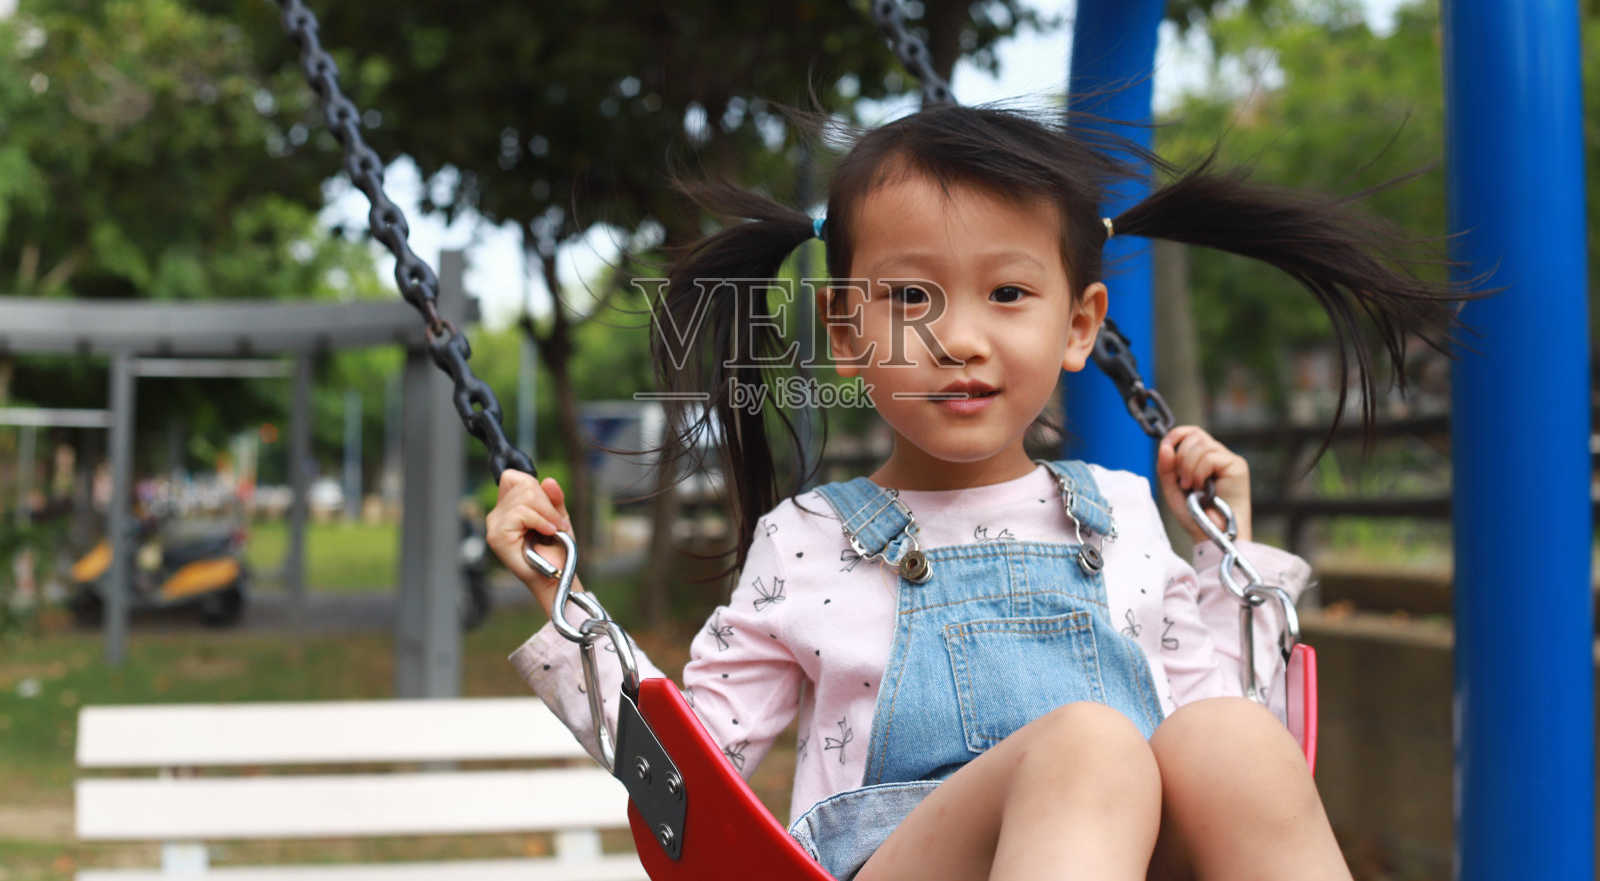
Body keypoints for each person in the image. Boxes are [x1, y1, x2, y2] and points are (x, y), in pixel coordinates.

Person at [486, 104, 1474, 880]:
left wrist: (1228, 554)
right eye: (910, 297)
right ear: (844, 330)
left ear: (1079, 323)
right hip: (903, 857)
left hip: (1129, 856)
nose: (958, 336)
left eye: (1007, 293)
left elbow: (1234, 736)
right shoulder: (809, 540)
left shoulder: (1124, 513)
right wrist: (562, 605)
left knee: (1224, 738)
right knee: (1089, 744)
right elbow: (691, 772)